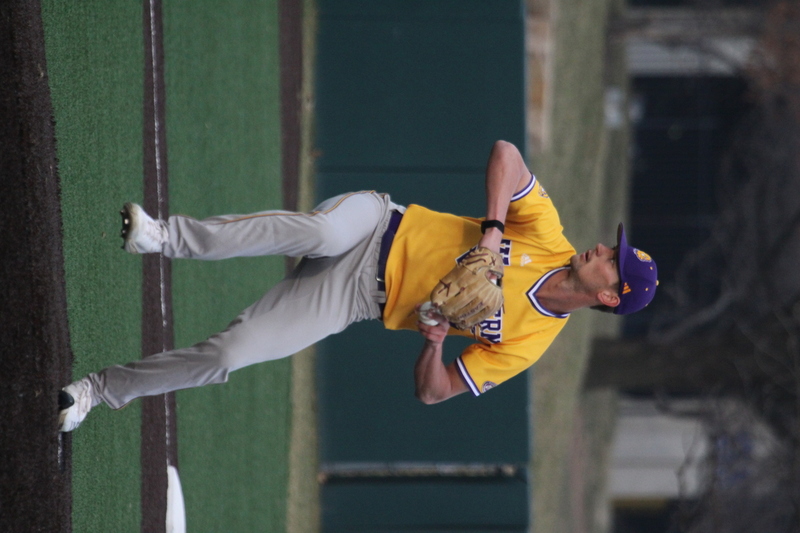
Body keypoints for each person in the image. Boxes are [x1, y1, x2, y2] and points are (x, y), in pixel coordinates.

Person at [57, 140, 658, 431]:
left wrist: (433, 341)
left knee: (230, 354)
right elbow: (506, 154)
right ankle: (162, 237)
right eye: (614, 246)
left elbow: (436, 392)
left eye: (615, 262)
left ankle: (94, 392)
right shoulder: (548, 235)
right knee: (318, 232)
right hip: (375, 222)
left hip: (355, 300)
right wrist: (495, 230)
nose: (605, 249)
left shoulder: (530, 342)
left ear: (609, 297)